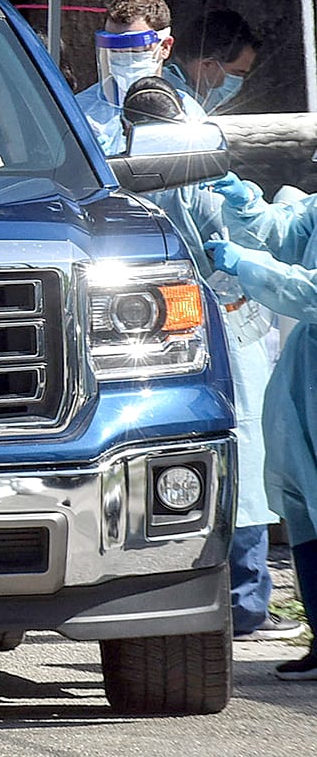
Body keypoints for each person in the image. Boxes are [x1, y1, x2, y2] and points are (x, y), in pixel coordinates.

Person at [124, 82, 296, 640]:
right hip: (224, 320)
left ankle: (182, 597)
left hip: (153, 330)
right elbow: (243, 248)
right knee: (241, 453)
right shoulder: (198, 180)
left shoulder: (122, 178)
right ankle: (245, 602)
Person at [205, 226, 317, 677]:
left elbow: (310, 291)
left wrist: (249, 266)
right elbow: (280, 228)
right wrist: (245, 207)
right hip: (304, 374)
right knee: (302, 511)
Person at [72, 0, 204, 153]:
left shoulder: (185, 112)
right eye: (114, 51)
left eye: (135, 51)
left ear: (165, 47)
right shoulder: (79, 111)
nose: (123, 59)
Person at [178, 9, 261, 113]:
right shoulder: (172, 97)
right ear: (207, 64)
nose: (240, 80)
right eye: (237, 73)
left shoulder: (201, 94)